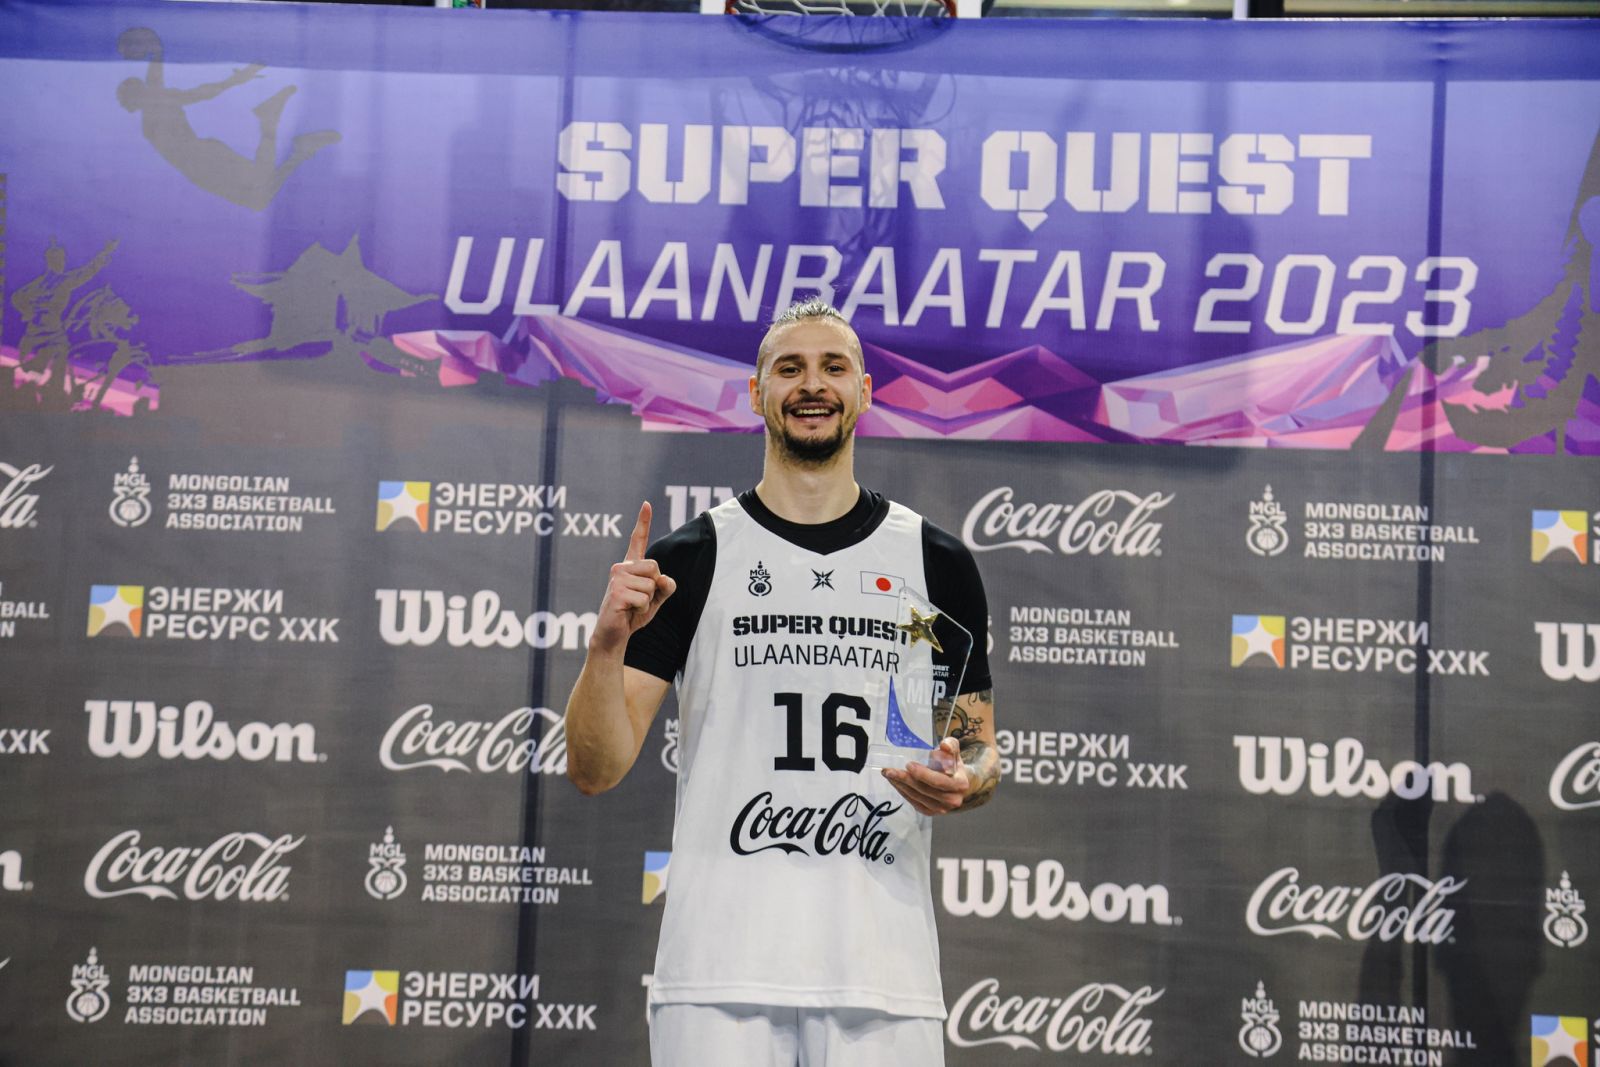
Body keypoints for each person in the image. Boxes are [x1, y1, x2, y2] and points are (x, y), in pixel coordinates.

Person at [565, 297, 998, 1066]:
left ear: (864, 390)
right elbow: (595, 768)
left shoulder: (935, 562)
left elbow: (976, 748)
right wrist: (604, 647)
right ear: (757, 391)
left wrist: (964, 777)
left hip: (882, 974)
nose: (813, 384)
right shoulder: (692, 558)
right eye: (789, 368)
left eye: (834, 367)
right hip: (718, 972)